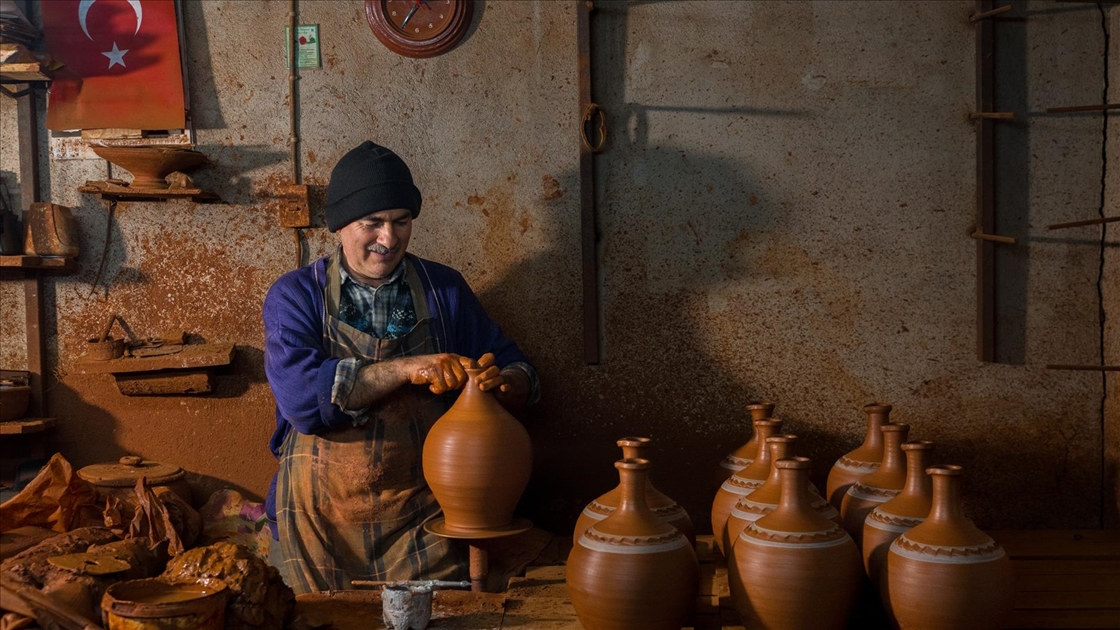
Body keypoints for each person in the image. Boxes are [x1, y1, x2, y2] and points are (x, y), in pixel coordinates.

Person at [262, 141, 539, 594]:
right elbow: (301, 400)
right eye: (372, 223)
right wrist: (408, 369)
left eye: (401, 221)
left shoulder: (443, 290)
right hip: (321, 520)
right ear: (340, 226)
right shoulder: (296, 296)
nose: (388, 239)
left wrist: (505, 381)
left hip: (421, 519)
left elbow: (518, 367)